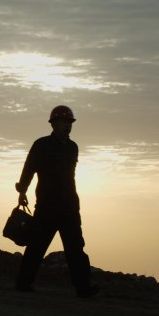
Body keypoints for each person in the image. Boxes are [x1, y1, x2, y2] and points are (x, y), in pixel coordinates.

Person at [14, 105, 98, 297]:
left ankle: (84, 288)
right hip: (46, 206)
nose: (67, 126)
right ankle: (23, 283)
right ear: (53, 124)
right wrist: (22, 190)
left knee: (76, 248)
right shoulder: (41, 145)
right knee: (37, 245)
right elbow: (29, 169)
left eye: (69, 123)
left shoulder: (72, 148)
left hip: (69, 206)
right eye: (63, 122)